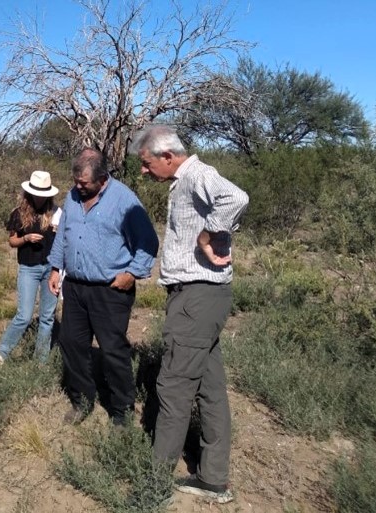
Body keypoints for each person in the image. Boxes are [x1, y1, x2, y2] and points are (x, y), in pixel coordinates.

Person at [136, 126, 248, 504]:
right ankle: (213, 478)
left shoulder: (198, 175)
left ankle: (153, 486)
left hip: (196, 297)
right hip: (204, 297)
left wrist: (208, 235)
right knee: (210, 388)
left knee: (174, 387)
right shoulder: (185, 180)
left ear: (168, 156)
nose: (144, 171)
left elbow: (236, 197)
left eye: (147, 163)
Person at [47, 148, 159, 427]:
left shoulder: (124, 200)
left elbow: (148, 241)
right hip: (74, 286)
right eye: (76, 181)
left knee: (112, 350)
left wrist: (133, 273)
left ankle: (122, 410)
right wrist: (55, 268)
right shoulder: (73, 197)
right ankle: (82, 399)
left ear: (103, 178)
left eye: (84, 183)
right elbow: (63, 233)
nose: (78, 187)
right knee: (72, 344)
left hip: (110, 289)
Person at [0, 171, 61, 363]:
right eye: (36, 192)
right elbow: (12, 242)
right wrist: (25, 239)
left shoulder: (57, 213)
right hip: (28, 268)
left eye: (44, 193)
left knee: (47, 317)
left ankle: (41, 361)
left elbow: (63, 241)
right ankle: (2, 353)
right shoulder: (18, 213)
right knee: (24, 316)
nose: (40, 197)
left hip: (51, 268)